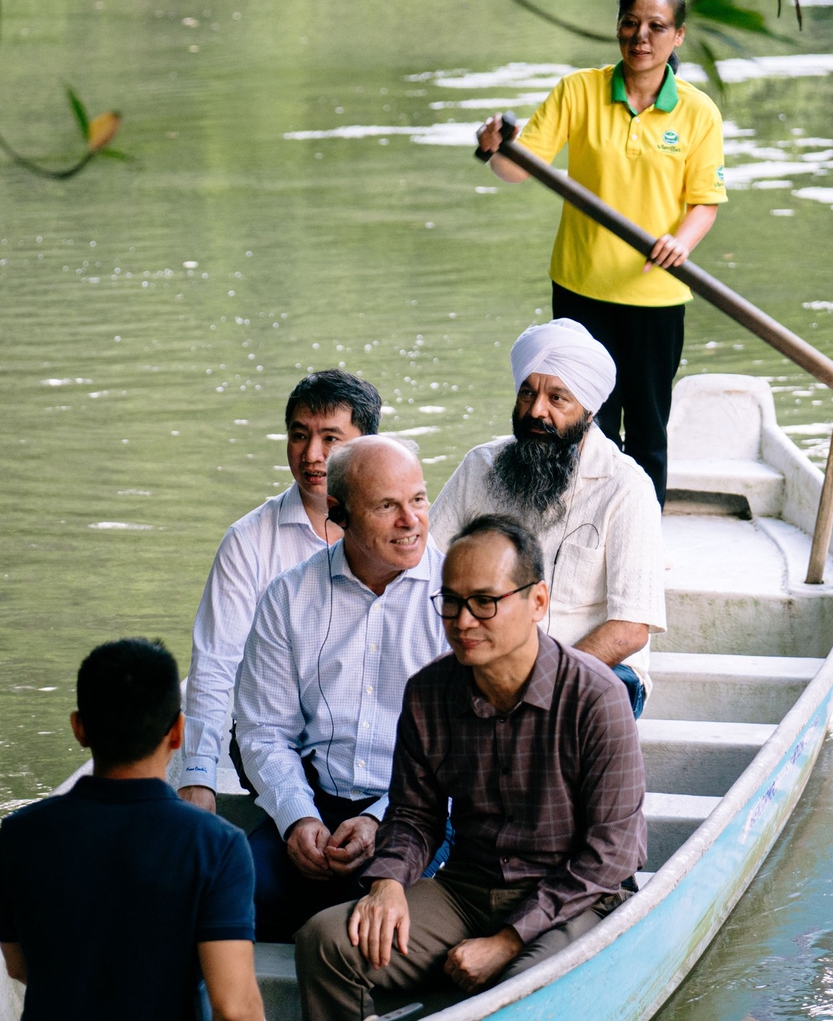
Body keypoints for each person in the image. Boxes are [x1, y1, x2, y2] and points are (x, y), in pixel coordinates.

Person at [293, 514, 646, 1021]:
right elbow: (415, 816)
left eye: (485, 602)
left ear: (537, 602)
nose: (463, 621)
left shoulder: (596, 696)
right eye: (451, 603)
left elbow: (613, 854)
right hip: (467, 889)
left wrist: (506, 941)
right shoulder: (428, 692)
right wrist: (388, 882)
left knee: (521, 991)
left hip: (574, 898)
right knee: (325, 941)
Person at [475, 0, 728, 503]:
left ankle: (644, 536)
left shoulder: (698, 112)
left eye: (657, 26)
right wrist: (492, 150)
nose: (641, 36)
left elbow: (705, 201)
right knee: (583, 424)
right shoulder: (579, 91)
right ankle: (577, 528)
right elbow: (517, 169)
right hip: (581, 284)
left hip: (655, 293)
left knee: (647, 427)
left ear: (677, 36)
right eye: (631, 23)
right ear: (617, 27)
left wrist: (681, 242)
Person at [233, 436, 450, 943]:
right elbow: (264, 731)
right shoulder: (288, 596)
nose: (411, 520)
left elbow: (467, 750)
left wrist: (379, 820)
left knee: (376, 928)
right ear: (339, 513)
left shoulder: (455, 596)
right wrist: (297, 819)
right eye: (387, 506)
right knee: (217, 894)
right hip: (318, 800)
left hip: (422, 810)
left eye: (418, 499)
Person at [0, 638, 264, 1021]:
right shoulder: (217, 845)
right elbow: (235, 1009)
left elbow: (18, 966)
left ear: (79, 729)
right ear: (178, 733)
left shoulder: (20, 834)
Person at [428, 320, 665, 716]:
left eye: (557, 398)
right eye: (527, 393)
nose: (536, 411)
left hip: (596, 669)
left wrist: (536, 678)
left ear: (589, 411)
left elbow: (629, 630)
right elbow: (424, 568)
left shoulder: (627, 487)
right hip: (486, 658)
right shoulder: (480, 467)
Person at [180, 370, 383, 813]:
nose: (312, 455)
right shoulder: (249, 540)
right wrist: (197, 775)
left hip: (376, 747)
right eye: (299, 435)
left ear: (366, 446)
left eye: (331, 438)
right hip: (272, 738)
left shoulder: (396, 535)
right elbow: (216, 662)